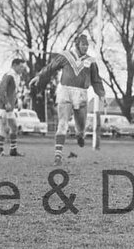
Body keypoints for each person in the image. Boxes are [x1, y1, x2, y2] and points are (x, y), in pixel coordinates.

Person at [29, 34, 106, 165]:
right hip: (65, 91)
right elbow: (51, 67)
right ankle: (58, 156)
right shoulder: (65, 56)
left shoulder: (91, 61)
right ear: (77, 45)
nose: (85, 47)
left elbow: (96, 80)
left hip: (81, 94)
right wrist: (39, 76)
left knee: (81, 126)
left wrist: (102, 95)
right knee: (62, 123)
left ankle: (80, 135)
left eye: (87, 45)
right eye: (83, 44)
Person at [0, 57, 29, 157]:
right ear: (14, 65)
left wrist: (18, 101)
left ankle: (13, 150)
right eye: (21, 67)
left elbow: (13, 92)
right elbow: (0, 91)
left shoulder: (17, 76)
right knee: (4, 128)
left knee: (14, 127)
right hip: (1, 106)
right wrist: (6, 103)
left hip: (8, 108)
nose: (23, 69)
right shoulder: (9, 75)